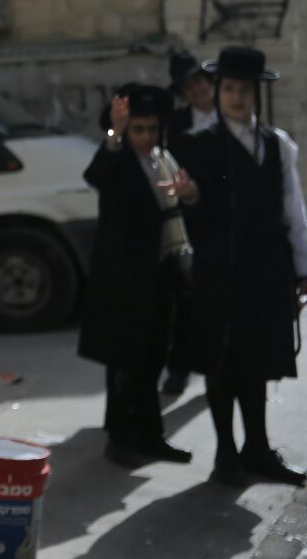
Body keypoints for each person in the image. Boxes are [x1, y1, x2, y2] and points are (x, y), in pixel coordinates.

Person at [173, 46, 307, 487]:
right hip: (220, 271)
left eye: (243, 89)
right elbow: (190, 209)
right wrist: (190, 195)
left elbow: (293, 209)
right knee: (222, 362)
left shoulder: (279, 145)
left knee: (258, 362)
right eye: (228, 88)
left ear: (256, 94)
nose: (235, 97)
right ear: (218, 90)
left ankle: (258, 449)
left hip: (267, 271)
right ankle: (226, 453)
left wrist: (302, 268)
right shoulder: (199, 146)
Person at [79, 84, 198, 468]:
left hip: (161, 273)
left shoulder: (163, 158)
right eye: (138, 130)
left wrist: (190, 192)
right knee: (124, 361)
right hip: (125, 279)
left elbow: (183, 204)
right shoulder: (118, 160)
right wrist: (115, 132)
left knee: (153, 357)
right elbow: (95, 174)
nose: (146, 137)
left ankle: (150, 435)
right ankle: (120, 437)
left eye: (151, 129)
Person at [161, 51, 216, 395]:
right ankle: (179, 368)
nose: (196, 90)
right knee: (187, 299)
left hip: (225, 220)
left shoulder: (228, 116)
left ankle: (215, 369)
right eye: (189, 86)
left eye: (199, 82)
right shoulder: (178, 125)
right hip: (191, 219)